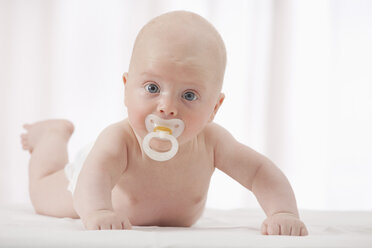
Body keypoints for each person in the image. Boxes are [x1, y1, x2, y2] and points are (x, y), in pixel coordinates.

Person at [20, 10, 308, 236]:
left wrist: (283, 213)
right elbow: (95, 178)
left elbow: (259, 172)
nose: (167, 108)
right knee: (43, 192)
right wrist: (97, 212)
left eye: (189, 95)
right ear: (126, 88)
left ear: (214, 108)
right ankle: (51, 136)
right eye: (153, 88)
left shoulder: (213, 142)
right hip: (83, 187)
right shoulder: (119, 139)